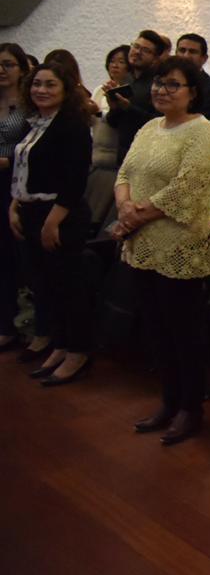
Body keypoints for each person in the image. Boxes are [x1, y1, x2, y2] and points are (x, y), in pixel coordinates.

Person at [114, 56, 210, 445]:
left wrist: (132, 217)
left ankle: (191, 409)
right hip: (142, 243)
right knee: (156, 330)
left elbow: (187, 188)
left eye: (173, 84)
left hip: (180, 245)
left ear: (193, 93)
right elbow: (125, 173)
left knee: (184, 333)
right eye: (159, 83)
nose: (161, 90)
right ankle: (168, 401)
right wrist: (126, 208)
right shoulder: (148, 127)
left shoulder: (203, 132)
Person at [8, 62, 94, 386]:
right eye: (37, 84)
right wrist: (15, 206)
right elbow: (22, 169)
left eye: (50, 85)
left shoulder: (72, 125)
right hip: (30, 212)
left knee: (69, 287)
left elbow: (74, 181)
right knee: (46, 287)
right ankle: (60, 344)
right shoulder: (36, 123)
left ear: (66, 89)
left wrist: (51, 222)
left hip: (60, 216)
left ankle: (78, 351)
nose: (41, 90)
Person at [0, 44, 32, 355]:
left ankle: (14, 324)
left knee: (11, 254)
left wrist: (6, 161)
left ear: (21, 69)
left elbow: (32, 148)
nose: (1, 70)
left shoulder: (28, 105)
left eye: (8, 64)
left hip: (12, 183)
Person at [106, 29, 167, 165]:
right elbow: (114, 123)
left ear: (155, 58)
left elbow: (161, 122)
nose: (137, 52)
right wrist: (114, 108)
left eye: (145, 50)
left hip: (147, 159)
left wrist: (129, 108)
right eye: (136, 46)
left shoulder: (159, 83)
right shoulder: (126, 79)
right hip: (123, 157)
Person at [89, 45, 132, 169]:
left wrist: (98, 113)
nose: (115, 65)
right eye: (112, 61)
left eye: (121, 62)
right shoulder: (99, 89)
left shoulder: (129, 91)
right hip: (96, 150)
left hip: (116, 153)